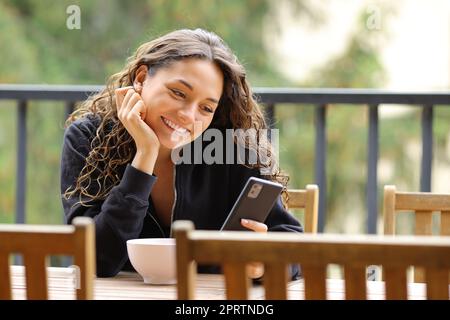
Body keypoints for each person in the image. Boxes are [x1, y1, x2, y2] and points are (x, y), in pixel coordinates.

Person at [60, 28, 302, 279]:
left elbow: (294, 249)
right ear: (142, 77)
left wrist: (261, 265)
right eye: (178, 93)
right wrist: (145, 155)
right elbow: (95, 260)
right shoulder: (88, 138)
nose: (189, 116)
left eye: (206, 107)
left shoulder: (232, 148)